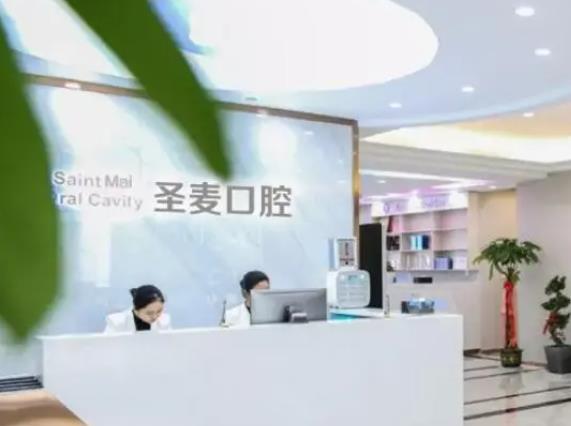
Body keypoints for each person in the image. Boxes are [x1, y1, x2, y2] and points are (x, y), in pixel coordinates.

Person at [104, 285, 171, 333]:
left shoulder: (165, 321)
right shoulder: (116, 322)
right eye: (149, 313)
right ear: (136, 309)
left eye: (159, 311)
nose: (155, 316)